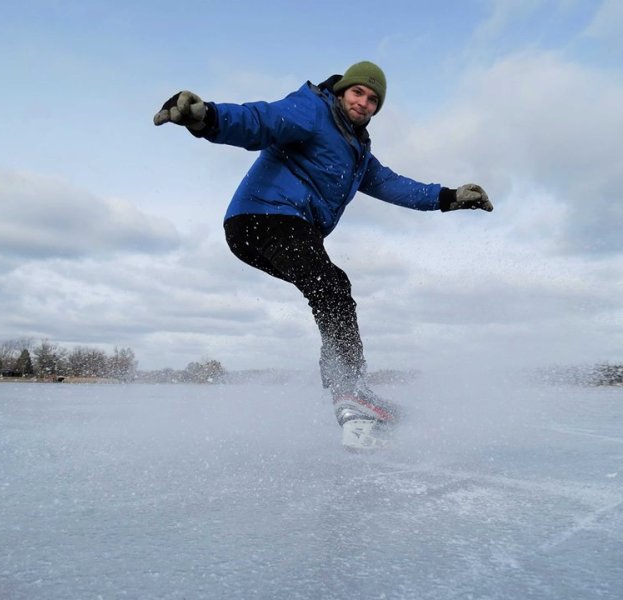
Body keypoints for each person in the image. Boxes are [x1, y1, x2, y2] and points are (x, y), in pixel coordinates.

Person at [154, 61, 492, 448]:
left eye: (373, 100)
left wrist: (447, 198)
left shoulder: (357, 152)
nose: (364, 103)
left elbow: (392, 184)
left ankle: (349, 386)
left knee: (333, 285)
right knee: (330, 285)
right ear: (342, 91)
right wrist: (207, 116)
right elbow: (262, 120)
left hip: (286, 227)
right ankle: (349, 387)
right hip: (264, 216)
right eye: (358, 92)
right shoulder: (311, 110)